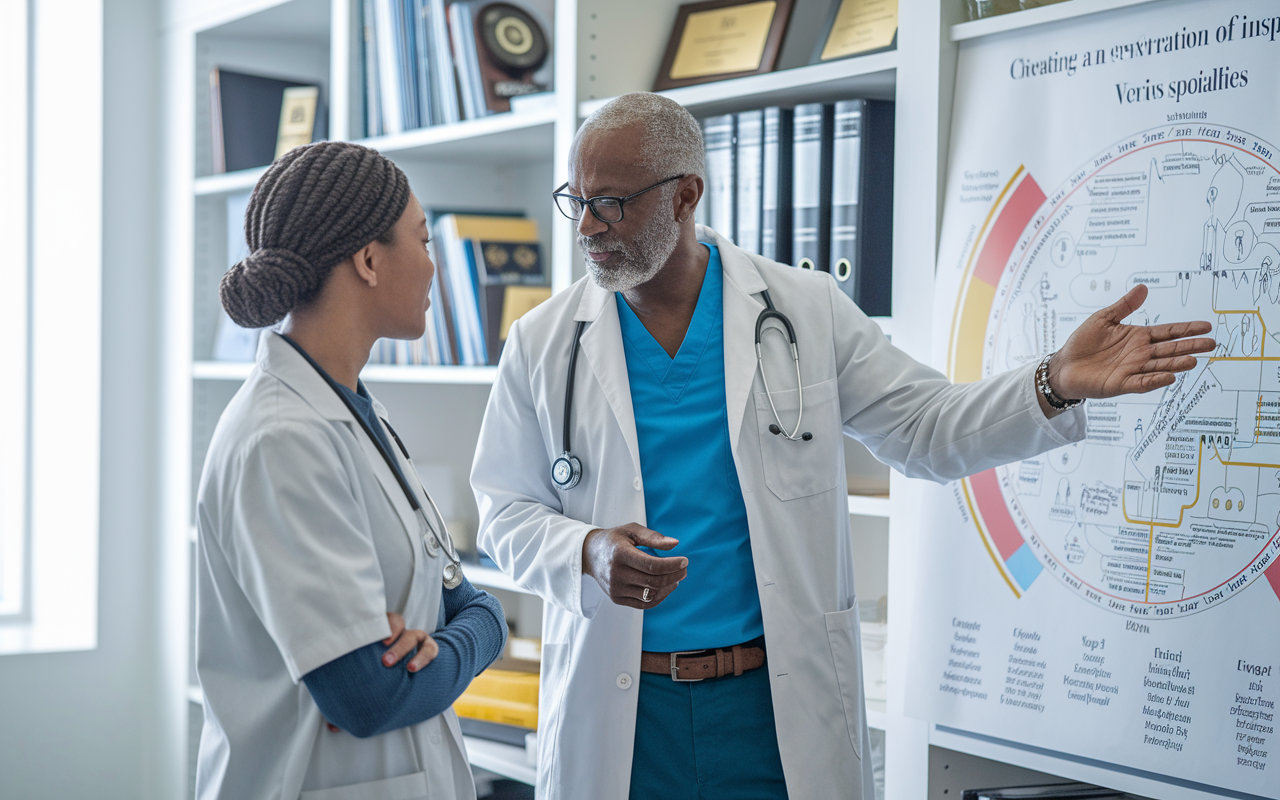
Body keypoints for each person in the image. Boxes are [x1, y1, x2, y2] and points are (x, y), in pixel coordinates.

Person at [469, 93, 1215, 800]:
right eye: (578, 200)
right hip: (623, 713)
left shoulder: (804, 310)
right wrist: (587, 549)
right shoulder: (542, 343)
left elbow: (926, 429)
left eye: (612, 203)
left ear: (685, 195)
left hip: (770, 711)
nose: (587, 228)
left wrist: (1055, 382)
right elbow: (503, 511)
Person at [195, 141, 506, 800]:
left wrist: (455, 637)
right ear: (368, 260)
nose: (433, 267)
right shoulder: (281, 439)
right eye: (423, 241)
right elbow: (367, 696)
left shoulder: (354, 410)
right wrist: (468, 643)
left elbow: (468, 602)